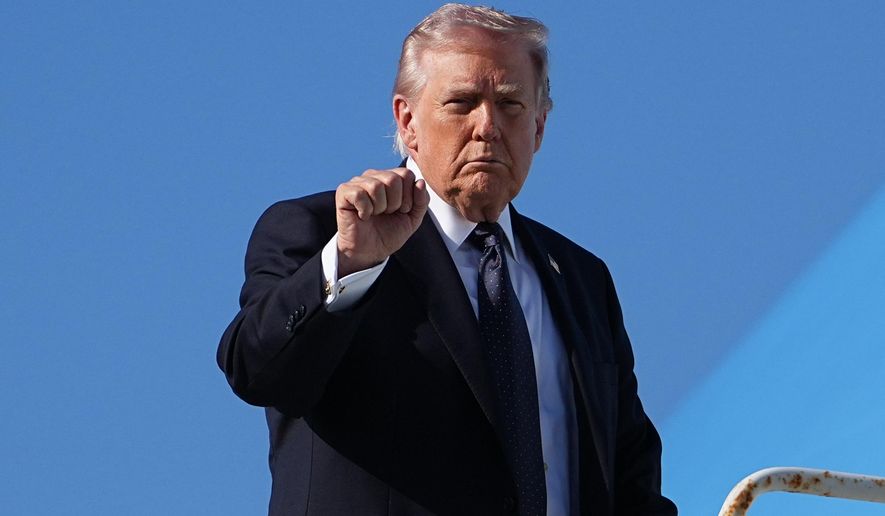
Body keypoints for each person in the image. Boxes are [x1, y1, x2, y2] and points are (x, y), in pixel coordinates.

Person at [218, 4, 677, 515]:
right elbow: (257, 372)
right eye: (462, 103)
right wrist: (350, 262)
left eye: (510, 103)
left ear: (540, 126)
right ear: (407, 120)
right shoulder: (322, 231)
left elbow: (629, 471)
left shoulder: (581, 278)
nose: (488, 126)